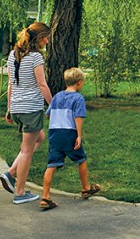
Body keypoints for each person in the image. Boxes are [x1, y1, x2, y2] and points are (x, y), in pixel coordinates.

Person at [0, 22, 53, 204]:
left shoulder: (13, 55)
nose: (47, 41)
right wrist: (53, 106)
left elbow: (10, 84)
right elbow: (42, 84)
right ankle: (20, 193)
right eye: (45, 37)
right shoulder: (36, 58)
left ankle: (11, 173)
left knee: (39, 138)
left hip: (17, 107)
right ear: (39, 38)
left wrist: (9, 108)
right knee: (26, 151)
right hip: (30, 108)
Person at [39, 67, 100, 210]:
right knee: (81, 159)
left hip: (54, 133)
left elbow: (48, 114)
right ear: (79, 82)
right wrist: (79, 135)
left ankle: (45, 197)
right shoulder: (78, 98)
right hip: (69, 133)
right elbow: (78, 118)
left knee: (52, 164)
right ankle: (85, 188)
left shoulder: (57, 96)